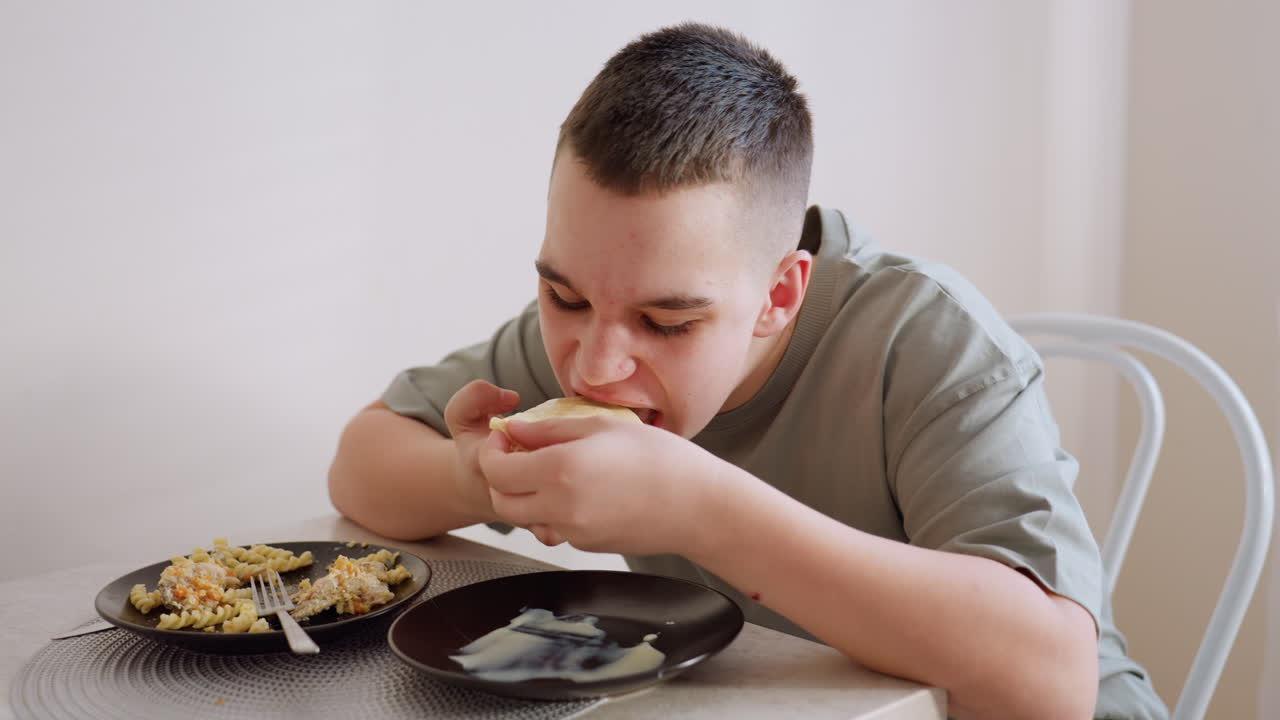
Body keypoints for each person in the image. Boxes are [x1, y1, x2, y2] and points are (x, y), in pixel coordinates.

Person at [328, 22, 1167, 720]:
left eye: (668, 322)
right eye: (564, 295)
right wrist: (479, 478)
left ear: (778, 294)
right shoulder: (594, 333)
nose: (597, 360)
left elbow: (1051, 680)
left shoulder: (927, 337)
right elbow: (360, 466)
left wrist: (698, 508)